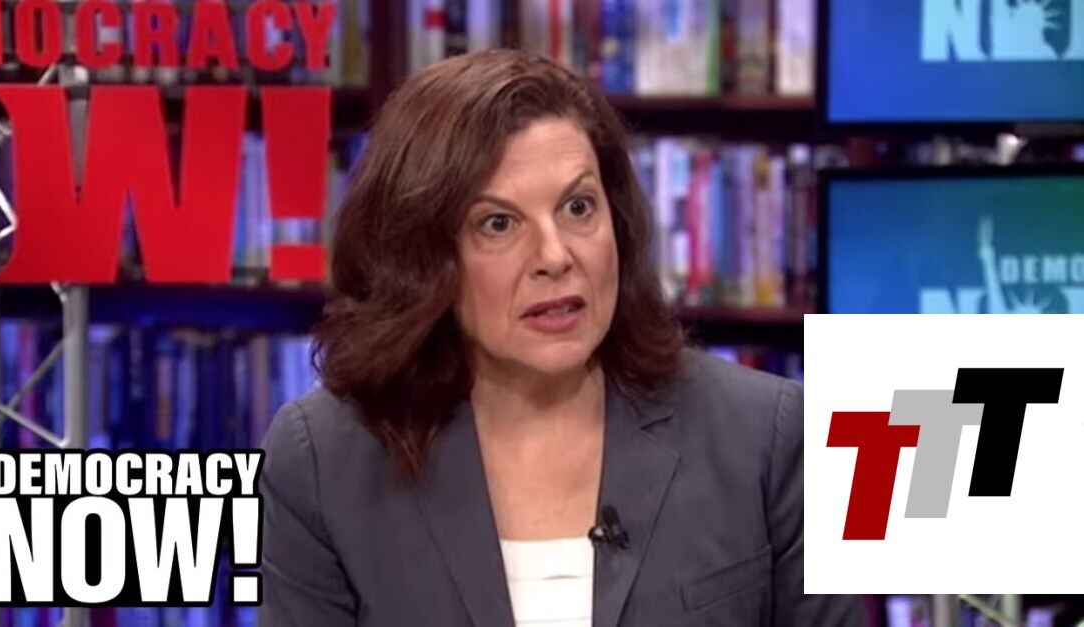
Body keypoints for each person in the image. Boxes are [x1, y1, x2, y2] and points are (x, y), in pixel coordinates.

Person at [257, 48, 866, 627]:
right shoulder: (323, 462)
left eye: (578, 208)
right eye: (498, 223)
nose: (554, 256)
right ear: (423, 259)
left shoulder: (768, 436)